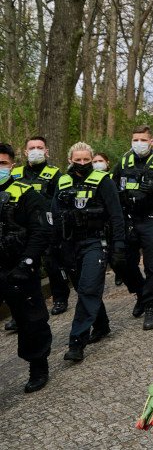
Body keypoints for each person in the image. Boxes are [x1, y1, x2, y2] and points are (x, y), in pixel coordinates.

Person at [53, 142, 125, 362]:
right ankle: (101, 325)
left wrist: (119, 245)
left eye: (87, 160)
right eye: (78, 160)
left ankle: (77, 342)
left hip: (95, 242)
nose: (82, 164)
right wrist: (55, 247)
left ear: (92, 160)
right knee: (85, 289)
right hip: (69, 245)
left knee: (87, 289)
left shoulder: (103, 181)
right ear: (70, 160)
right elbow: (54, 217)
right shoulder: (62, 182)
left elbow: (116, 215)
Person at [111, 125, 153, 330]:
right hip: (128, 220)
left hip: (152, 220)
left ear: (151, 142)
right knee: (121, 261)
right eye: (135, 140)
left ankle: (150, 305)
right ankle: (140, 292)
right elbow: (113, 189)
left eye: (143, 140)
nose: (138, 143)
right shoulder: (123, 162)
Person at [0, 142, 52, 393]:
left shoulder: (27, 194)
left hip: (18, 269)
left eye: (2, 164)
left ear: (11, 165)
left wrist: (28, 262)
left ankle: (38, 365)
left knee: (31, 321)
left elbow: (41, 231)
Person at [11, 136, 69, 317]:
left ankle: (60, 298)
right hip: (22, 228)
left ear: (46, 151)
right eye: (32, 147)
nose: (36, 150)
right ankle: (20, 310)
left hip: (47, 226)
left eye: (40, 147)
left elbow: (60, 201)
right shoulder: (15, 173)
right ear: (26, 152)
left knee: (52, 263)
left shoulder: (55, 174)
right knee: (23, 267)